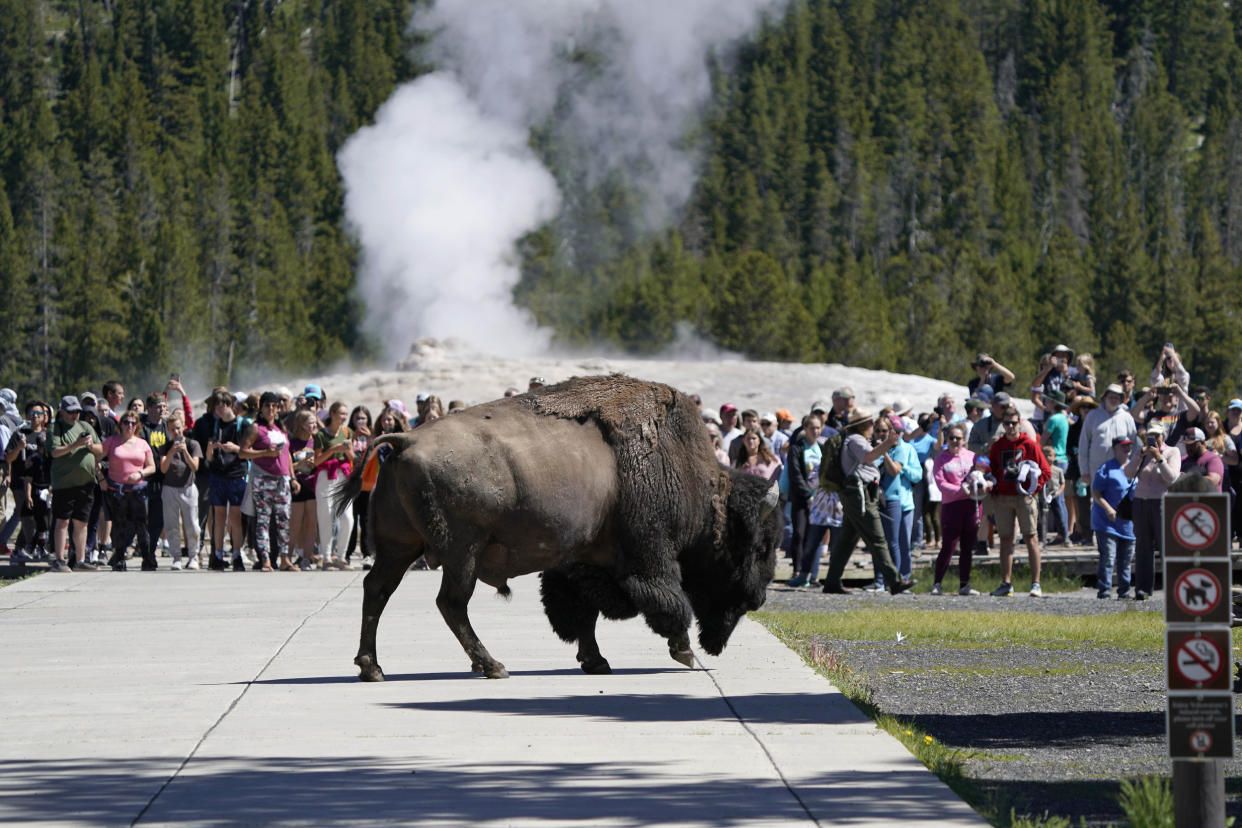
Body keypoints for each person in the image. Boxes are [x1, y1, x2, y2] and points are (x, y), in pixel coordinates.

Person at [820, 408, 913, 596]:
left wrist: (883, 445)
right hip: (859, 493)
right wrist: (888, 443)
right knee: (877, 538)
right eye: (870, 423)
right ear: (863, 425)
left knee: (846, 541)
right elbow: (868, 456)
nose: (873, 426)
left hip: (858, 492)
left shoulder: (857, 440)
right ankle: (895, 581)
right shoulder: (855, 440)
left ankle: (831, 582)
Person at [988, 404, 1051, 597]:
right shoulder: (997, 446)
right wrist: (993, 488)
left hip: (1024, 498)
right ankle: (1006, 583)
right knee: (1005, 540)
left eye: (1014, 423)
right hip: (1003, 498)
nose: (1010, 427)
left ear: (1020, 424)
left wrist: (1034, 488)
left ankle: (1036, 584)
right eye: (1006, 424)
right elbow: (991, 470)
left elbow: (1046, 471)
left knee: (1031, 537)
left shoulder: (1029, 445)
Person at [239, 392, 297, 572]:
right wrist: (264, 453)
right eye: (267, 406)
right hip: (263, 478)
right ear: (261, 408)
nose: (271, 409)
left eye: (274, 406)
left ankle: (285, 558)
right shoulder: (255, 428)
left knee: (284, 520)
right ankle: (265, 559)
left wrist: (293, 477)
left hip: (282, 480)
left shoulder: (281, 429)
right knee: (263, 520)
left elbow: (287, 454)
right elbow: (242, 452)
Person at [47, 396, 104, 571]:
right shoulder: (55, 428)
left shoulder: (85, 426)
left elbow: (101, 450)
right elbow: (55, 452)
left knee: (82, 523)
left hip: (86, 483)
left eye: (78, 411)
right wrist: (76, 444)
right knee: (62, 521)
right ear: (62, 411)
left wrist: (90, 446)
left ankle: (80, 560)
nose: (75, 415)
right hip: (64, 484)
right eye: (71, 412)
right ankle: (59, 559)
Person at [1124, 423, 1179, 600]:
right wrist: (1140, 457)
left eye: (1157, 435)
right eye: (1151, 435)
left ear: (1163, 436)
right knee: (1143, 546)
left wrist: (1159, 458)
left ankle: (1173, 588)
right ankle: (1143, 588)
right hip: (1141, 502)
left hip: (1161, 503)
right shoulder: (1143, 453)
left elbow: (1171, 478)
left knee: (1166, 547)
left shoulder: (1172, 452)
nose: (1154, 439)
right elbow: (1128, 473)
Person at [100, 411, 157, 570]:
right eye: (126, 422)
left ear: (137, 426)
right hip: (117, 490)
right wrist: (101, 478)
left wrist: (140, 473)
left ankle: (147, 558)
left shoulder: (142, 443)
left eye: (133, 423)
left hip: (137, 489)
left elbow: (152, 467)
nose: (129, 426)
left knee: (141, 525)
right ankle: (119, 558)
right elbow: (94, 460)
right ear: (120, 425)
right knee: (119, 525)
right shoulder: (112, 442)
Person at [930, 423, 981, 595]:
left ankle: (964, 584)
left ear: (964, 440)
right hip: (951, 506)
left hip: (971, 505)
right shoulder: (940, 459)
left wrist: (984, 485)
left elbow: (982, 474)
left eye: (958, 438)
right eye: (951, 438)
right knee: (948, 546)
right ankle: (937, 583)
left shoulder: (972, 457)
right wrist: (960, 490)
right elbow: (941, 483)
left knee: (967, 546)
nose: (954, 441)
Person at [873, 414, 922, 587]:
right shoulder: (875, 447)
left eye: (898, 431)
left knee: (902, 543)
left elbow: (917, 475)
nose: (898, 435)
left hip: (904, 501)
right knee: (883, 541)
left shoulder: (906, 448)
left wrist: (903, 469)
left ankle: (902, 576)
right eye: (877, 431)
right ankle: (882, 579)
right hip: (881, 499)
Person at [203, 390, 248, 571]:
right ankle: (218, 554)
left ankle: (237, 554)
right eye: (216, 407)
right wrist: (211, 448)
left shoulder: (241, 425)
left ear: (229, 405)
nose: (219, 410)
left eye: (222, 405)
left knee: (235, 517)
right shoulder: (215, 425)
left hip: (236, 474)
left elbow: (247, 451)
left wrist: (235, 448)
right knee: (219, 516)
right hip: (218, 474)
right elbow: (208, 457)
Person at [3, 401, 51, 561]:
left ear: (44, 416)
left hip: (42, 484)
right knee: (28, 517)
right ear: (27, 416)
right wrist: (19, 448)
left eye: (38, 414)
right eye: (32, 414)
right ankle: (24, 548)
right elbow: (8, 457)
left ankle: (32, 548)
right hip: (21, 482)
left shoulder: (47, 435)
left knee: (42, 518)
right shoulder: (20, 434)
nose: (35, 417)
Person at [1091, 437, 1137, 599]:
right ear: (1114, 449)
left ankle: (1124, 592)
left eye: (1129, 446)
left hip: (1129, 524)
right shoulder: (1106, 468)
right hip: (1107, 522)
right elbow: (1095, 492)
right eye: (1123, 446)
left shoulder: (1136, 467)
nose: (1127, 449)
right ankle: (1104, 591)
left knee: (1126, 561)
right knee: (1108, 558)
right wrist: (1108, 509)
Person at [313, 401, 354, 569]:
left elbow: (352, 457)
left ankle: (341, 556)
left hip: (343, 475)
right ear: (332, 414)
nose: (343, 417)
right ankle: (326, 557)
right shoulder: (321, 435)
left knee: (347, 517)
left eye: (345, 414)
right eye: (340, 414)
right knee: (326, 516)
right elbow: (316, 461)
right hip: (325, 475)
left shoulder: (347, 431)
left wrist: (347, 449)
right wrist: (333, 450)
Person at [158, 410, 201, 570]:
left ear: (183, 427)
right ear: (168, 430)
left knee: (192, 525)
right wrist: (171, 453)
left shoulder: (192, 444)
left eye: (178, 428)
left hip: (188, 487)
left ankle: (193, 556)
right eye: (172, 429)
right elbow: (163, 468)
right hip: (169, 488)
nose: (176, 432)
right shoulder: (165, 447)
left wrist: (184, 451)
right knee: (171, 525)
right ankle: (176, 557)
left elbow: (195, 467)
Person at [786, 415, 825, 588]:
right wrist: (808, 496)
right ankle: (798, 570)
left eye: (818, 428)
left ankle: (812, 573)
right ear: (805, 429)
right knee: (800, 534)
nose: (815, 431)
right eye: (812, 428)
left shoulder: (823, 448)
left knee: (815, 536)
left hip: (819, 499)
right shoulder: (797, 449)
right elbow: (795, 474)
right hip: (802, 499)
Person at [1077, 384, 1138, 484]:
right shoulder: (1093, 415)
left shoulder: (1127, 418)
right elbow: (1083, 444)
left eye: (1117, 397)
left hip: (1121, 469)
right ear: (1104, 398)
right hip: (1096, 468)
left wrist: (1131, 468)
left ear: (1121, 400)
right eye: (1111, 397)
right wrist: (1084, 471)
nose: (1114, 400)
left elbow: (1134, 445)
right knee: (1097, 498)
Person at [287, 410, 320, 568]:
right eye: (310, 423)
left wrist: (316, 462)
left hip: (313, 484)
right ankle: (287, 557)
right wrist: (299, 465)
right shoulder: (292, 443)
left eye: (315, 422)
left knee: (311, 524)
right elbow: (286, 466)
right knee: (295, 524)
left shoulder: (317, 441)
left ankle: (307, 558)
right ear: (301, 424)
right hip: (297, 486)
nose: (313, 425)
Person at [345, 405, 374, 567]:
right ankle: (347, 553)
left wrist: (370, 439)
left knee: (366, 520)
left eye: (363, 418)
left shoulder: (373, 435)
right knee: (351, 520)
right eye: (357, 418)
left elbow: (375, 453)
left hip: (368, 483)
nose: (361, 421)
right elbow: (346, 452)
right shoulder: (348, 434)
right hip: (351, 482)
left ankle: (367, 553)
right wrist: (354, 436)